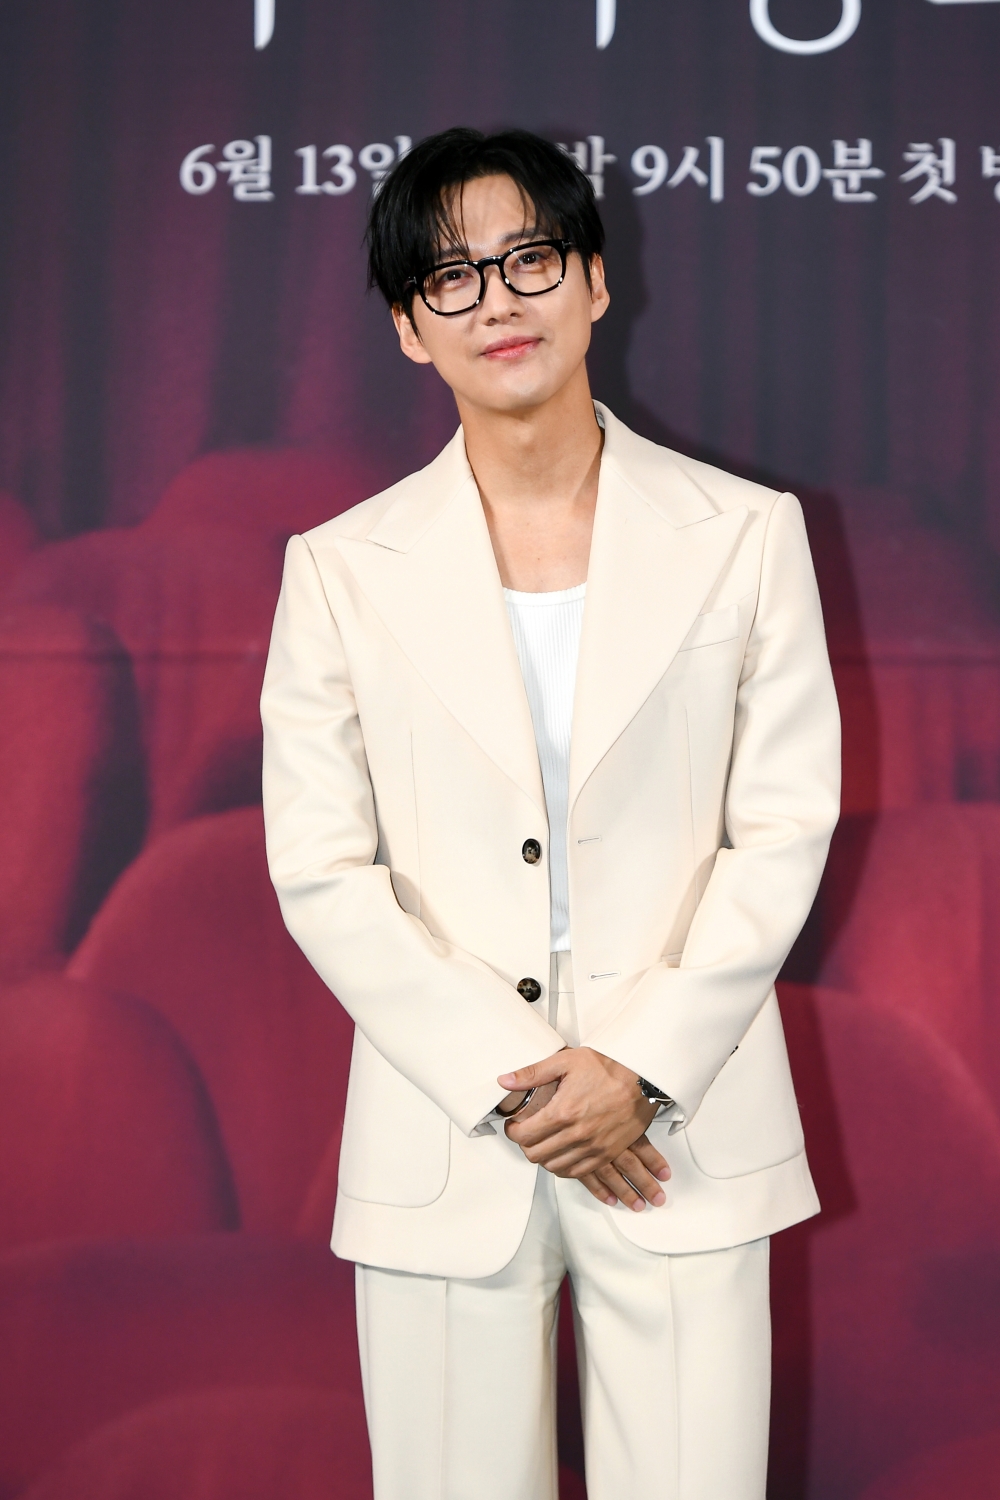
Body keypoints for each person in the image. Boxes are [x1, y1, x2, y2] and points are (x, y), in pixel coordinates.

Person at [260, 126, 840, 1500]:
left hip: (680, 1120)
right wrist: (510, 1080)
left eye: (528, 258)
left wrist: (635, 1065)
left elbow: (783, 830)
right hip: (449, 1122)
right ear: (409, 329)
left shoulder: (745, 532)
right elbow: (321, 868)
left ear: (594, 280)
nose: (496, 302)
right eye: (449, 277)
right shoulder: (340, 569)